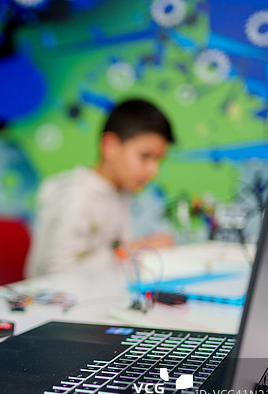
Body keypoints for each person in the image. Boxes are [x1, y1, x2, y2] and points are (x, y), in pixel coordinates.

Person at [25, 98, 175, 277]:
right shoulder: (78, 195)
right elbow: (59, 274)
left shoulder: (120, 191)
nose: (153, 170)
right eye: (145, 156)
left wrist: (138, 247)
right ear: (110, 146)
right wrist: (129, 249)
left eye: (158, 160)